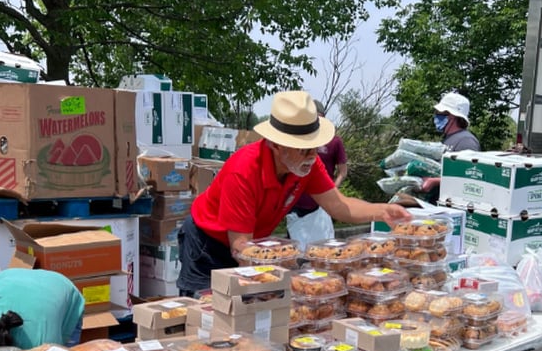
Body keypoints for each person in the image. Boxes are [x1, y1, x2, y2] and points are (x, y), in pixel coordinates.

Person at [177, 90, 412, 297]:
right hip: (208, 245)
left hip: (252, 246)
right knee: (208, 310)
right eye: (303, 148)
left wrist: (382, 211)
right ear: (276, 145)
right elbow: (240, 246)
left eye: (314, 147)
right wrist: (285, 278)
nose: (312, 155)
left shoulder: (307, 164)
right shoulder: (244, 171)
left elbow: (338, 205)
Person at [284, 99, 348, 249]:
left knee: (321, 248)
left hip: (321, 202)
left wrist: (331, 190)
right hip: (296, 200)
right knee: (295, 247)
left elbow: (342, 171)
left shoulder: (334, 142)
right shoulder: (298, 142)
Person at [421, 91, 482, 202]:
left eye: (440, 113)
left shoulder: (466, 141)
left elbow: (468, 178)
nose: (436, 115)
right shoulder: (449, 139)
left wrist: (434, 181)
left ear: (452, 116)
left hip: (452, 206)